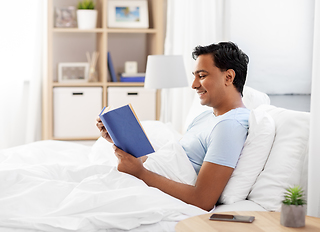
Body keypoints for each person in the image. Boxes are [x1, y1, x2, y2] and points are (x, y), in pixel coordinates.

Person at [96, 41, 250, 211]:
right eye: (194, 76)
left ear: (228, 77)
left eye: (202, 76)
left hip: (148, 188)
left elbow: (203, 199)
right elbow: (170, 164)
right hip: (144, 178)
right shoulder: (206, 117)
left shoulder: (230, 126)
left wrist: (140, 174)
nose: (194, 84)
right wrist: (119, 139)